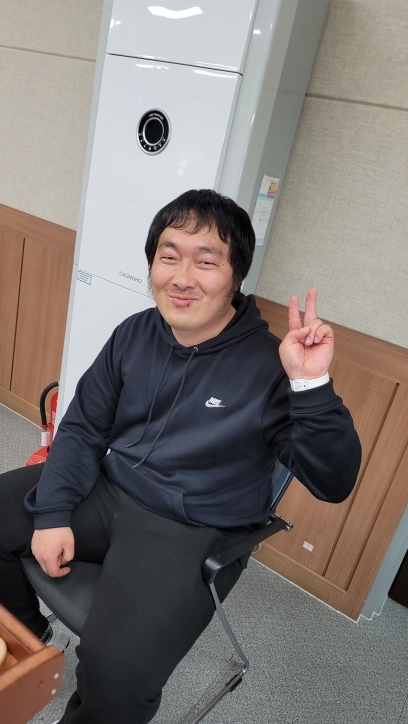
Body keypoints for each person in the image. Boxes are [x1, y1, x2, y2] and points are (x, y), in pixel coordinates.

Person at [0, 189, 361, 724]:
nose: (182, 277)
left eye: (206, 261)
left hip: (191, 527)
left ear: (236, 277)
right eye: (168, 257)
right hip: (109, 488)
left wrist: (310, 385)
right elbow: (83, 427)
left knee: (117, 675)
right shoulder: (135, 333)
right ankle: (32, 640)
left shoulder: (270, 368)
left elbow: (334, 481)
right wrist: (52, 513)